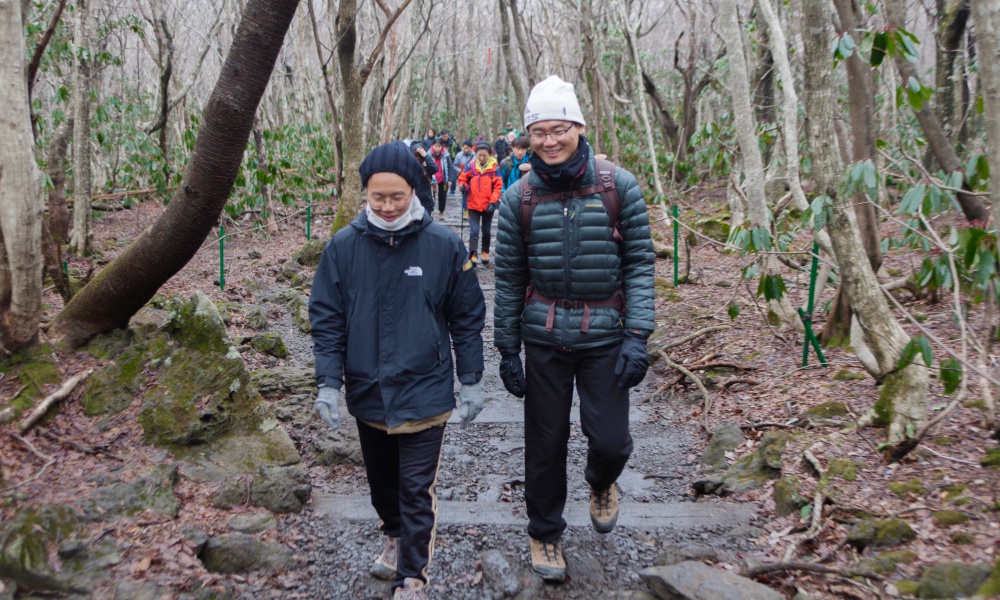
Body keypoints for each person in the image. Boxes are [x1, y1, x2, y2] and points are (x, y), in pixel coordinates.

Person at [493, 76, 655, 582]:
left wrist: (638, 336)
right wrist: (506, 348)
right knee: (544, 445)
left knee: (611, 441)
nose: (549, 140)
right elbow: (508, 278)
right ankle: (544, 534)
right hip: (543, 337)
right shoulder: (517, 197)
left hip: (605, 335)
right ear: (528, 135)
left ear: (579, 127)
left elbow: (640, 263)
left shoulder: (617, 186)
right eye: (538, 131)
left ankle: (602, 481)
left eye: (559, 129)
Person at [310, 141, 486, 600]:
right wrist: (329, 382)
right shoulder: (343, 247)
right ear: (364, 193)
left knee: (414, 490)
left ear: (415, 190)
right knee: (383, 487)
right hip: (368, 390)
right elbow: (326, 317)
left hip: (425, 390)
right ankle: (392, 534)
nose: (387, 207)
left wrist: (470, 381)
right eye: (378, 197)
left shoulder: (444, 245)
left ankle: (412, 576)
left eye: (397, 197)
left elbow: (467, 317)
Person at [458, 141, 502, 267]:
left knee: (487, 231)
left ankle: (485, 252)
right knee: (474, 231)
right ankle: (473, 255)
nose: (482, 158)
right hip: (473, 204)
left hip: (489, 205)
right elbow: (462, 179)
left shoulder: (495, 169)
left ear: (489, 154)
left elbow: (498, 187)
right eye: (479, 155)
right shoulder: (470, 166)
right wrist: (463, 186)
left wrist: (493, 202)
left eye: (484, 155)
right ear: (476, 154)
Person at [410, 140, 438, 215]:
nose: (417, 158)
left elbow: (434, 168)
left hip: (426, 200)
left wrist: (425, 155)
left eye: (419, 156)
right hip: (412, 201)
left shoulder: (426, 165)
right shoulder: (409, 165)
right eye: (415, 156)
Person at [428, 137, 452, 219]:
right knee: (431, 195)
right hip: (433, 178)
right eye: (436, 146)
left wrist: (449, 179)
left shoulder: (446, 155)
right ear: (432, 146)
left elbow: (450, 167)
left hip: (443, 178)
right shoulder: (428, 154)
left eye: (439, 146)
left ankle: (441, 211)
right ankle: (431, 211)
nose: (437, 148)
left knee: (443, 195)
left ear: (442, 147)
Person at [453, 140, 476, 219]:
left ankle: (471, 210)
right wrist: (461, 171)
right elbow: (455, 165)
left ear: (471, 148)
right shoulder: (459, 155)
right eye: (465, 148)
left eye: (468, 148)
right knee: (464, 193)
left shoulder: (475, 155)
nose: (466, 150)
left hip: (472, 177)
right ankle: (465, 210)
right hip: (463, 177)